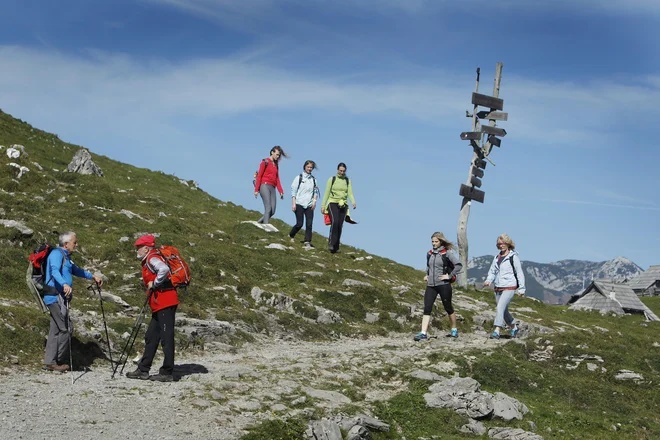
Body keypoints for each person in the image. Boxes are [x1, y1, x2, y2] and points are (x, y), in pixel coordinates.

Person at [43, 231, 103, 372]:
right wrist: (64, 284)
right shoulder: (57, 254)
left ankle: (49, 362)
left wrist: (92, 276)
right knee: (66, 328)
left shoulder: (66, 257)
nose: (76, 245)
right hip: (54, 297)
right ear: (66, 244)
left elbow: (76, 270)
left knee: (55, 329)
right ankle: (58, 360)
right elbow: (54, 271)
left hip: (59, 297)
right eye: (74, 242)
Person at [126, 235, 180, 382]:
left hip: (165, 302)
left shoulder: (152, 258)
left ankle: (167, 372)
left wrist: (155, 283)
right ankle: (143, 369)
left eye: (138, 248)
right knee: (152, 336)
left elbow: (163, 269)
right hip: (160, 303)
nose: (137, 250)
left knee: (166, 337)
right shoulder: (150, 258)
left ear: (146, 248)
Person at [414, 232, 463, 341]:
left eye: (436, 241)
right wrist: (427, 275)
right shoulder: (429, 253)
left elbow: (459, 265)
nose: (434, 243)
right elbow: (429, 266)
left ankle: (454, 328)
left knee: (448, 307)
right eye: (432, 241)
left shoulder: (447, 253)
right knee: (427, 307)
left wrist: (449, 276)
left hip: (444, 284)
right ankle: (423, 333)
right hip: (431, 285)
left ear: (441, 241)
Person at [484, 233, 526, 339]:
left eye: (503, 243)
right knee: (503, 310)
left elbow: (519, 272)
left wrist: (521, 288)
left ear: (508, 244)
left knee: (500, 307)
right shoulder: (496, 258)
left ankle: (497, 330)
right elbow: (492, 271)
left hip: (509, 286)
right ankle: (514, 327)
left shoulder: (513, 257)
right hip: (498, 286)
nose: (501, 245)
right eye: (499, 243)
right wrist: (489, 280)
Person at [321, 162, 356, 253]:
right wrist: (323, 206)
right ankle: (331, 243)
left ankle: (336, 246)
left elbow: (350, 193)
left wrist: (353, 202)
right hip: (332, 203)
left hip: (343, 204)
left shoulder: (347, 181)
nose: (342, 172)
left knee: (340, 225)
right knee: (335, 222)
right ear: (337, 170)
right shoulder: (332, 179)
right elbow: (326, 193)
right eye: (340, 171)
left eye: (343, 171)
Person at [254, 146, 288, 225]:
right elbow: (259, 176)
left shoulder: (276, 165)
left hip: (272, 187)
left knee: (273, 210)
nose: (278, 156)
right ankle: (266, 226)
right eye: (276, 154)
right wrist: (256, 190)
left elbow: (277, 179)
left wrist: (281, 191)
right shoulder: (265, 162)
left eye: (279, 155)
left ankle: (258, 223)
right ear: (272, 152)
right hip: (264, 186)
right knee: (268, 207)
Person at [289, 160, 320, 249]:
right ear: (305, 167)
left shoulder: (314, 180)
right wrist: (293, 203)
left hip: (309, 205)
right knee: (300, 223)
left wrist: (314, 201)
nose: (309, 169)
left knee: (309, 224)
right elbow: (293, 191)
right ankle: (291, 234)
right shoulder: (299, 178)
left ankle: (307, 241)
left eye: (311, 167)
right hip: (299, 203)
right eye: (308, 167)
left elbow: (315, 191)